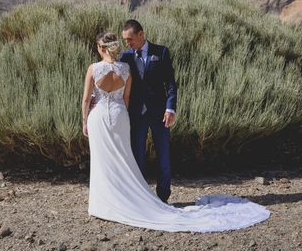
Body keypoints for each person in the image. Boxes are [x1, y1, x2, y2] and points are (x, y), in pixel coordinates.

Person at [82, 31, 270, 232]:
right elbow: (126, 99)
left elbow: (86, 100)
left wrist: (85, 120)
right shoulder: (125, 67)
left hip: (100, 116)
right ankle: (125, 198)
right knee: (123, 157)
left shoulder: (94, 68)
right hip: (121, 115)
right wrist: (122, 115)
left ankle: (104, 203)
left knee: (103, 159)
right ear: (115, 47)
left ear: (101, 48)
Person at [120, 19, 176, 203]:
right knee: (137, 156)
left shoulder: (161, 52)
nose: (127, 43)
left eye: (130, 39)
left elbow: (170, 83)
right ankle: (142, 198)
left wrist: (170, 108)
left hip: (160, 113)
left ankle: (163, 197)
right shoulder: (125, 56)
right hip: (136, 114)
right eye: (125, 40)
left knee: (164, 156)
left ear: (141, 34)